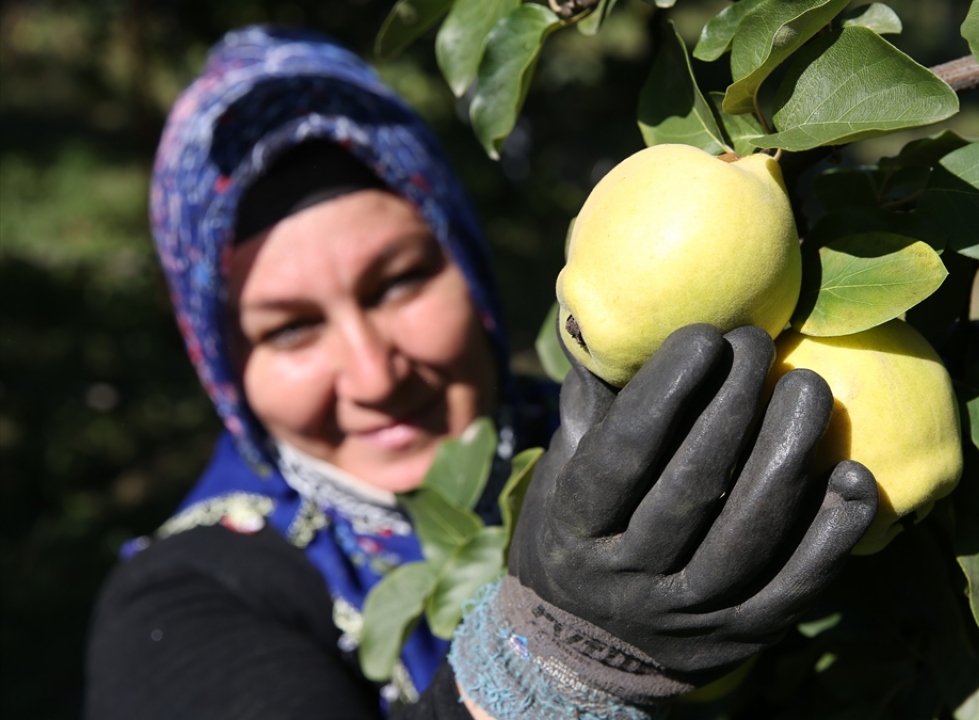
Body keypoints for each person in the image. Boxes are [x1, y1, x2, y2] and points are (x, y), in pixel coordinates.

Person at [84, 26, 879, 720]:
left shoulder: (658, 439)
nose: (373, 374)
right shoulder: (186, 603)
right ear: (222, 361)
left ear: (464, 258)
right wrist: (554, 668)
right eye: (290, 329)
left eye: (397, 282)